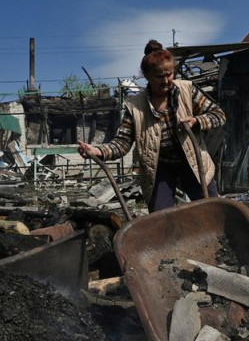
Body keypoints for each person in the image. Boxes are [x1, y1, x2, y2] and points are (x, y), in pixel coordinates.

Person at [77, 40, 226, 212]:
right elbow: (122, 143)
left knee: (212, 210)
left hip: (193, 161)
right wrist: (97, 151)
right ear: (147, 76)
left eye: (169, 74)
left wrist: (197, 122)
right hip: (159, 167)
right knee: (159, 219)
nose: (166, 81)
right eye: (160, 76)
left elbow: (218, 115)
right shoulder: (135, 106)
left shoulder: (187, 90)